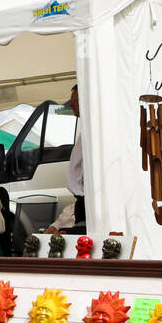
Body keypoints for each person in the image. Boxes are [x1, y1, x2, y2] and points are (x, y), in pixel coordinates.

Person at [65, 84, 85, 226]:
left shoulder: (94, 128)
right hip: (82, 201)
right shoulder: (85, 128)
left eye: (75, 100)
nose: (71, 104)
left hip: (88, 200)